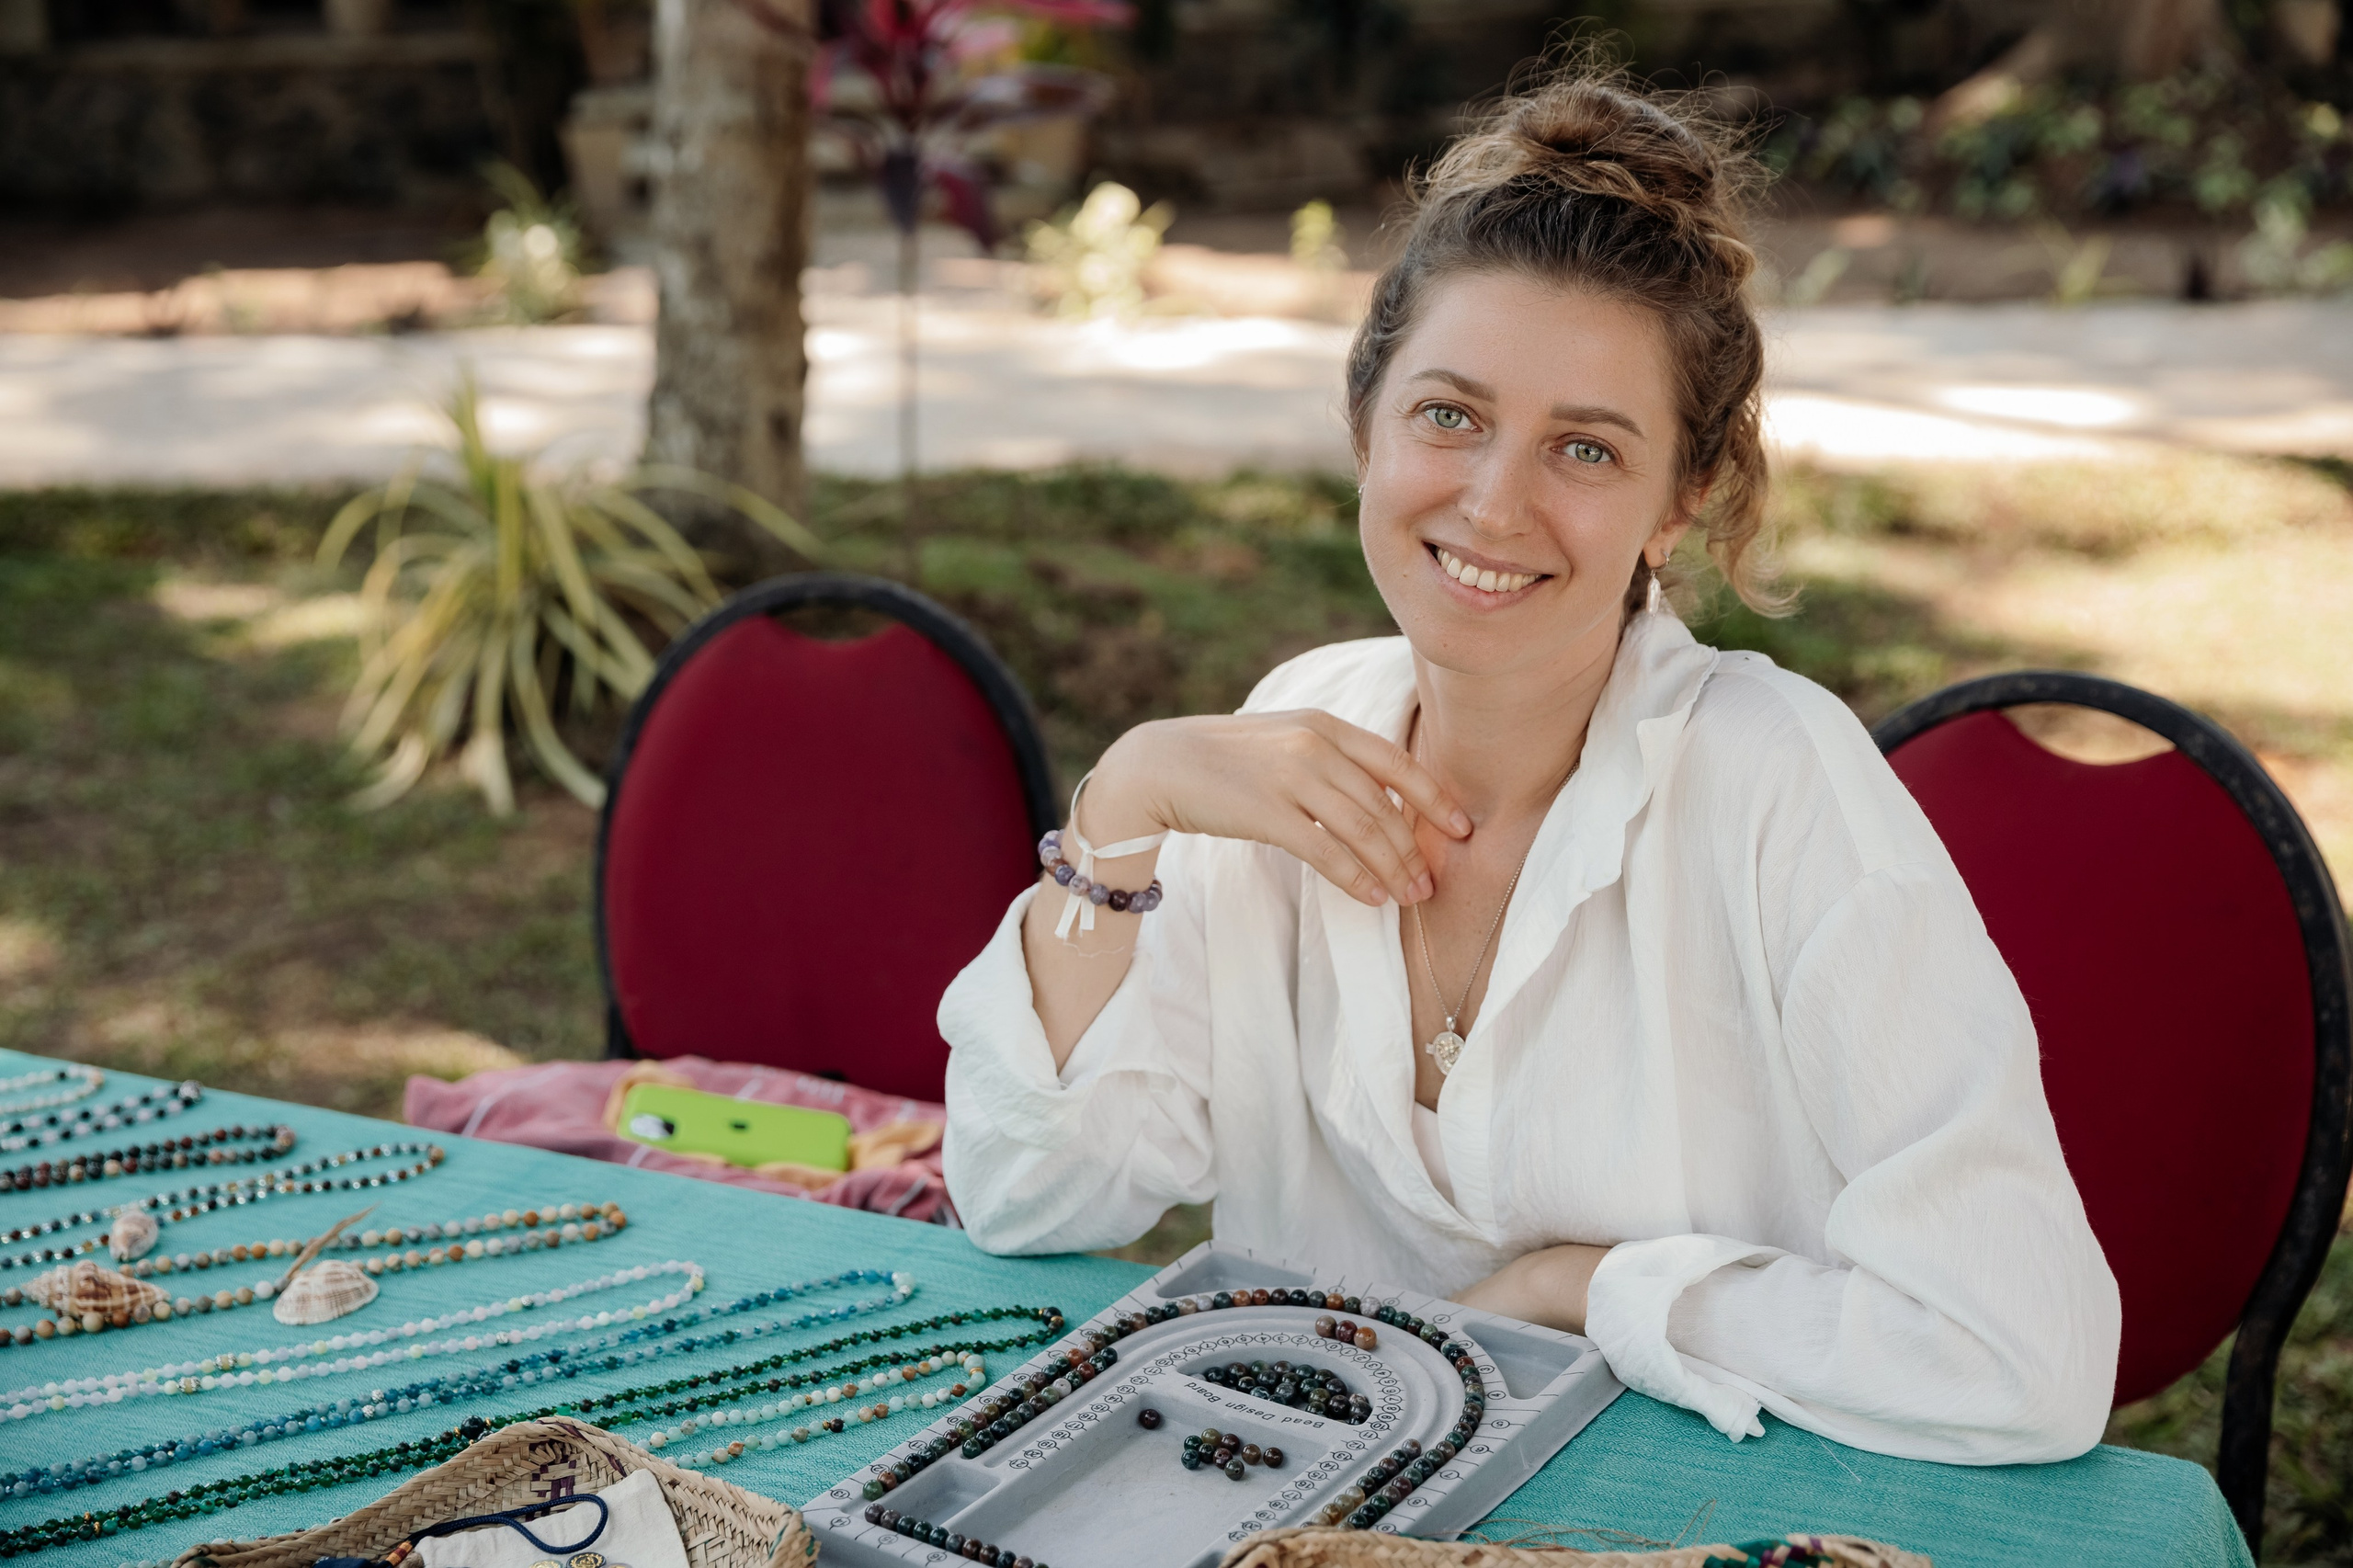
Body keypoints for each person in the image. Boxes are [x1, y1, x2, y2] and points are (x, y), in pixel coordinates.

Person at [938, 66, 2120, 1464]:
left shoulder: (1778, 786)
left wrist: (1585, 1289)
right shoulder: (1290, 734)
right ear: (1364, 422)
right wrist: (1123, 803)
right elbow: (1025, 1192)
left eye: (1585, 446)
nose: (1495, 501)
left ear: (1681, 502)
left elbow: (2027, 1357)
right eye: (1449, 414)